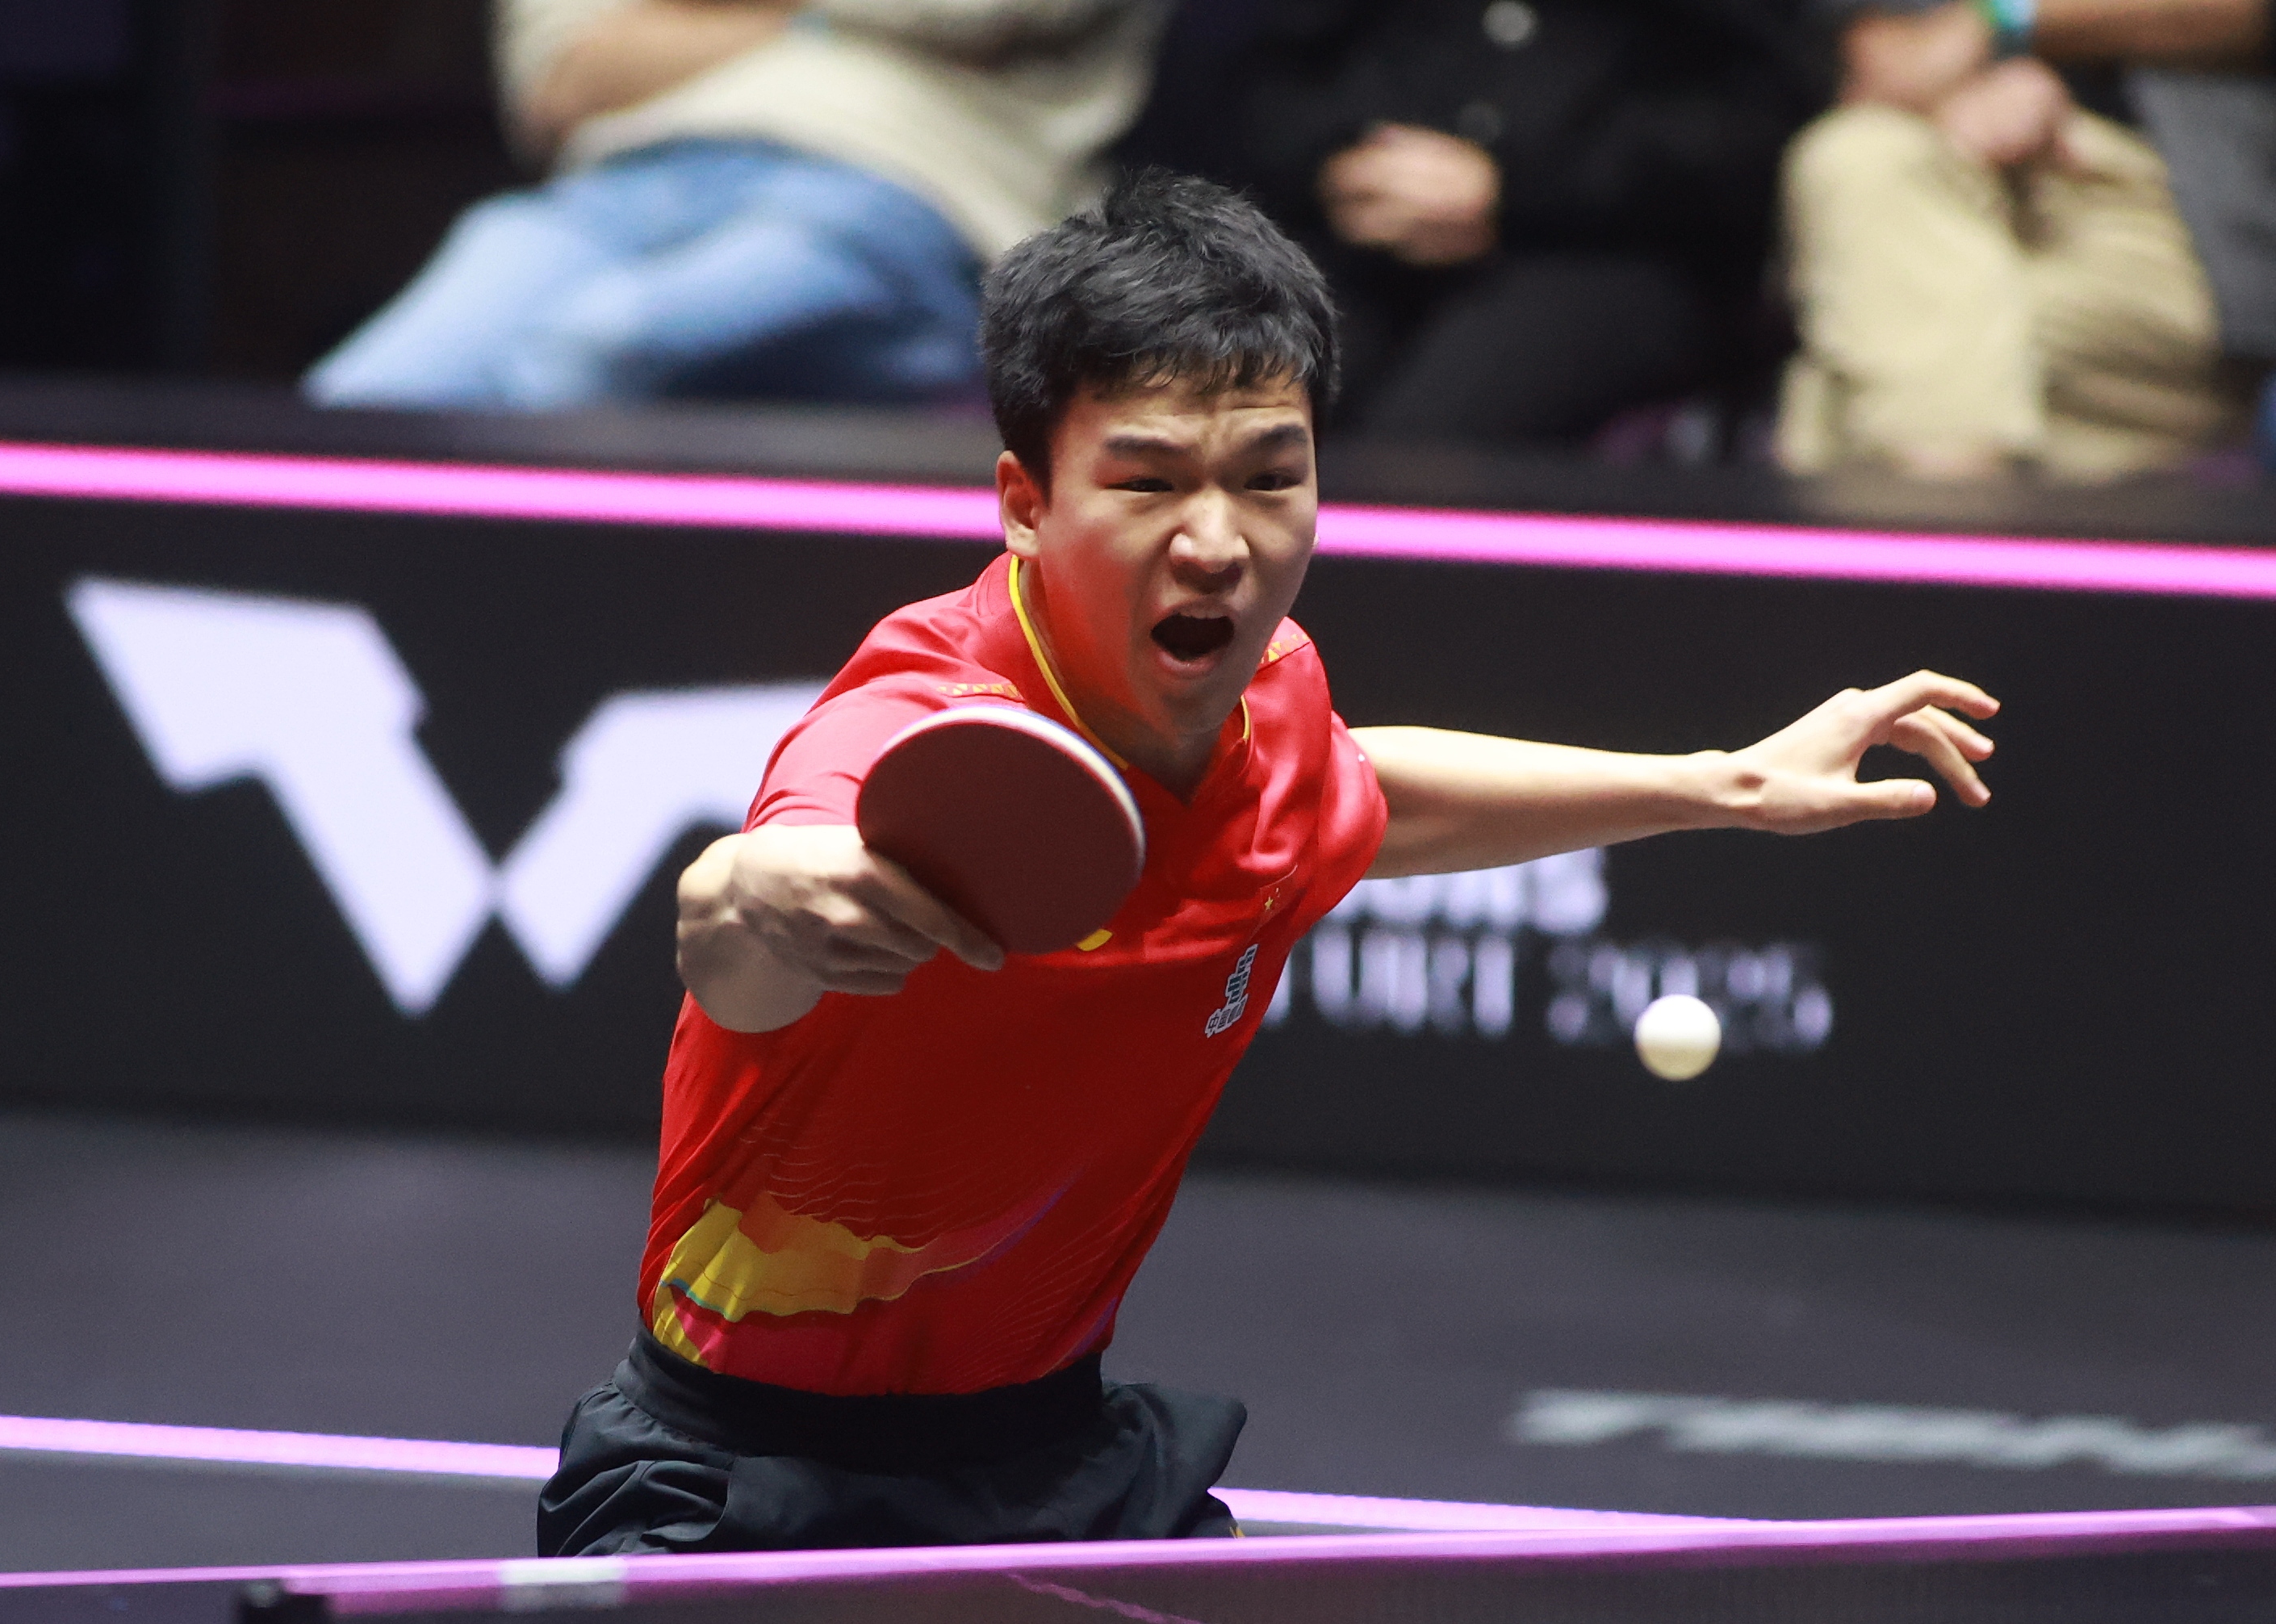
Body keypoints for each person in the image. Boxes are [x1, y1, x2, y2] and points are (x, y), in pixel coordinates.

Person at [536, 172, 2000, 1555]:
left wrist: (1718, 784)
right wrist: (751, 888)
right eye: (1149, 480)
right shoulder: (928, 717)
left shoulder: (1277, 705)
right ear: (1023, 498)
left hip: (1053, 1458)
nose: (1218, 542)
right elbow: (750, 906)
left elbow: (1356, 793)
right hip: (746, 1468)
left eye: (1268, 475)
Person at [302, 0, 1165, 412]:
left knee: (597, 354)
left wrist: (682, 21)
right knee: (361, 407)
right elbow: (556, 75)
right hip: (618, 184)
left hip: (903, 186)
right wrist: (826, 22)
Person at [1215, 0, 1826, 446]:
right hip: (1363, 230)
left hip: (1610, 251)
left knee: (1420, 450)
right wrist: (1342, 159)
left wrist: (1510, 189)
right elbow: (1269, 77)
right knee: (1234, 415)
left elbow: (1752, 126)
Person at [1777, 0, 2276, 480]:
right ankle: (1954, 522)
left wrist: (2005, 17)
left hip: (2176, 201)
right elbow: (1888, 60)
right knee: (1858, 158)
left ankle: (1933, 524)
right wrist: (1976, 88)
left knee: (1857, 373)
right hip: (1957, 145)